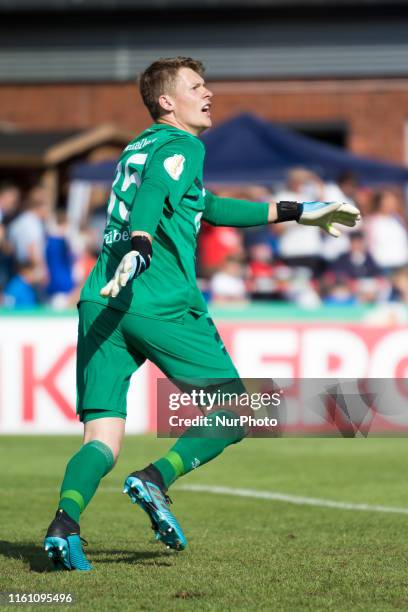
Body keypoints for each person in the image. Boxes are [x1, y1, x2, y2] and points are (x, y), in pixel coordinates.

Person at [43, 56, 360, 571]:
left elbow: (205, 206)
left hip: (100, 299)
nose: (208, 92)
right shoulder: (183, 144)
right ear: (167, 101)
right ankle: (156, 478)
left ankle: (64, 525)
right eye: (196, 86)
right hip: (156, 298)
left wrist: (298, 210)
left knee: (102, 438)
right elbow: (152, 197)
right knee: (236, 408)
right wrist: (141, 244)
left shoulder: (141, 145)